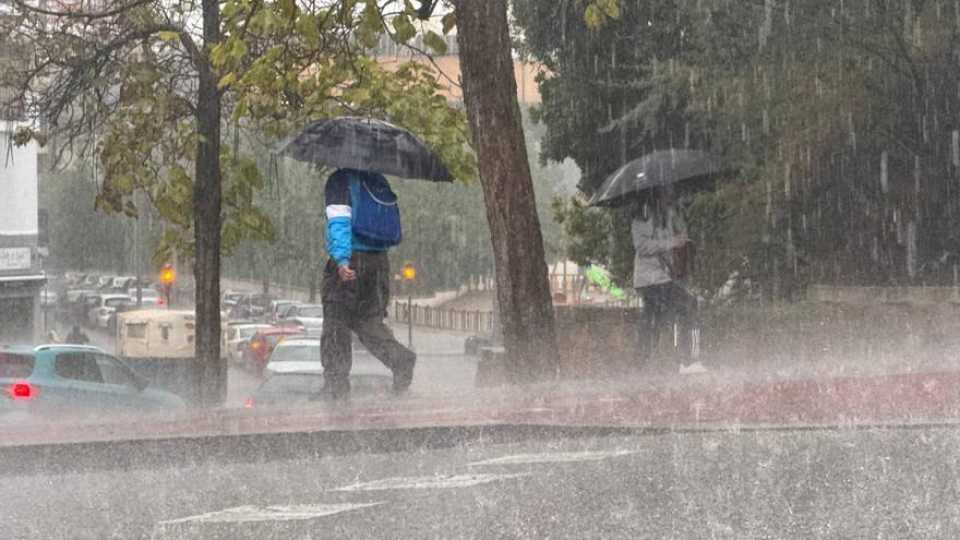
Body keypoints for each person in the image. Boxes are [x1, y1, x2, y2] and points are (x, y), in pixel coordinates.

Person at [320, 168, 416, 400]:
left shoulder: (339, 180)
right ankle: (399, 359)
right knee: (369, 323)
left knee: (335, 325)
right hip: (378, 264)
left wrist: (342, 261)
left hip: (351, 261)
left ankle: (336, 387)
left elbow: (340, 222)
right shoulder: (377, 180)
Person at [632, 185, 702, 373]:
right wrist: (671, 242)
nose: (669, 199)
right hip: (650, 280)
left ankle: (646, 361)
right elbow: (642, 247)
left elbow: (671, 245)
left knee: (656, 320)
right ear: (656, 197)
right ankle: (686, 359)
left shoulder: (667, 218)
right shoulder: (643, 218)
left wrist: (682, 242)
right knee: (684, 306)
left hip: (664, 278)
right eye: (665, 196)